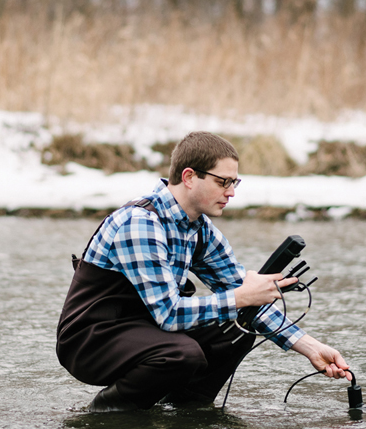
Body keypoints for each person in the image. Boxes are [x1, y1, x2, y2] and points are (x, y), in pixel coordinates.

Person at [56, 131, 351, 411]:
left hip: (141, 331)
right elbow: (169, 315)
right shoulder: (141, 223)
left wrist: (311, 348)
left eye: (236, 182)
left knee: (238, 329)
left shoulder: (199, 230)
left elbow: (244, 295)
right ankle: (108, 412)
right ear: (189, 177)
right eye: (224, 182)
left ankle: (183, 411)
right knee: (182, 354)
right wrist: (240, 298)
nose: (232, 192)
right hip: (90, 341)